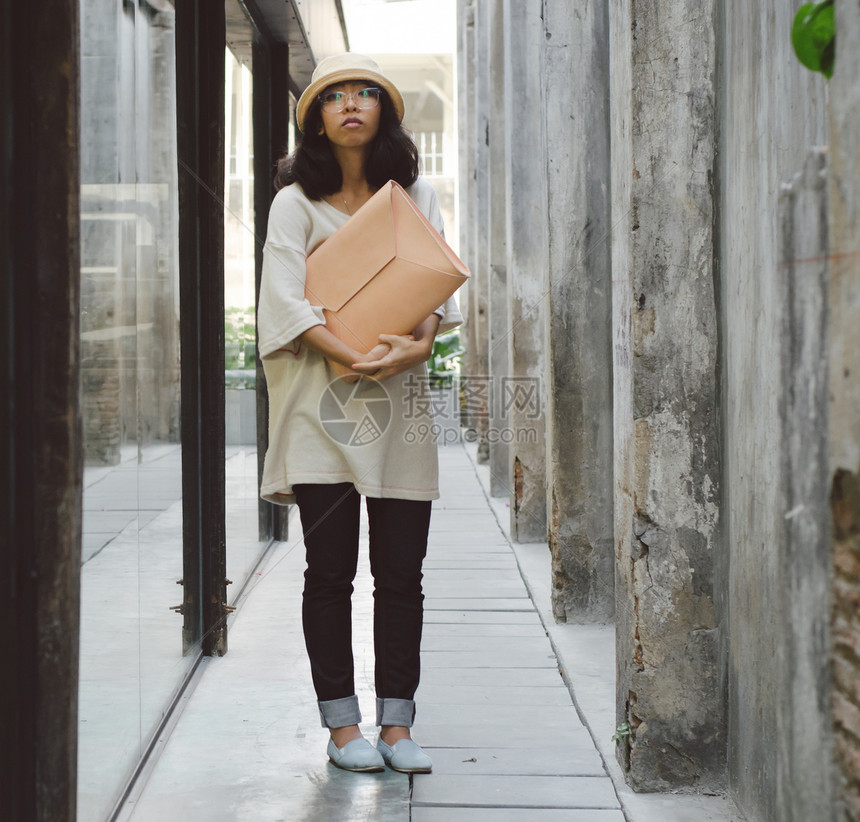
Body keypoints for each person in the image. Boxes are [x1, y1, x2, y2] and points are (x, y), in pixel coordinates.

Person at [257, 53, 463, 775]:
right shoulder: (293, 203)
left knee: (402, 573)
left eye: (365, 93)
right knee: (330, 572)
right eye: (334, 95)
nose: (350, 104)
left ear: (385, 110)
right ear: (314, 116)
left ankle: (398, 729)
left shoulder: (412, 193)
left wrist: (412, 352)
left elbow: (437, 290)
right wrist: (346, 352)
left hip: (399, 406)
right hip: (324, 410)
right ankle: (344, 730)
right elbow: (283, 302)